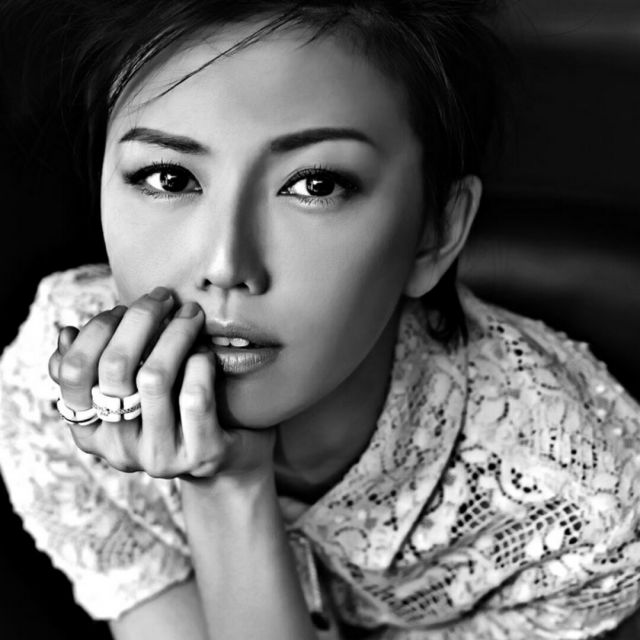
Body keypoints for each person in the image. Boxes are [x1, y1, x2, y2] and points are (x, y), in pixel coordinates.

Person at [1, 1, 639, 638]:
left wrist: (225, 487)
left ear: (436, 232)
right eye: (168, 177)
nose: (226, 265)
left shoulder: (580, 511)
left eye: (315, 185)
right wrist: (218, 478)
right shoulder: (58, 391)